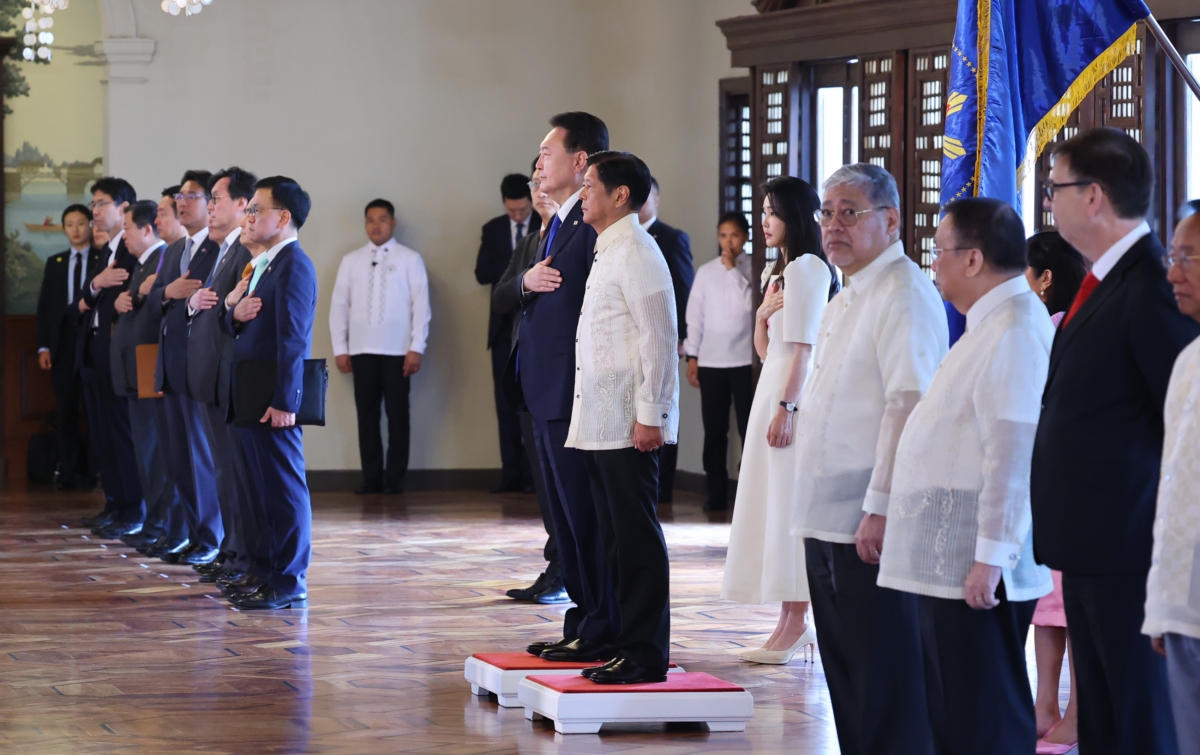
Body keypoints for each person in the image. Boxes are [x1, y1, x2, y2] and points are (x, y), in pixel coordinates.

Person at [1031, 127, 1200, 755]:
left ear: (1094, 195)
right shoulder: (1103, 279)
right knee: (1102, 723)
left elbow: (1181, 421)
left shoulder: (1150, 284)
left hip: (1128, 547)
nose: (1051, 202)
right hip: (1090, 546)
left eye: (1057, 189)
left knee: (1138, 723)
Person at [878, 197, 1053, 754]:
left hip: (978, 562)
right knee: (955, 709)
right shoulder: (989, 323)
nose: (935, 265)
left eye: (939, 252)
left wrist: (989, 557)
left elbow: (1012, 449)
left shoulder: (1016, 327)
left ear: (973, 259)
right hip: (953, 552)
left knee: (983, 710)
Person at [793, 163, 947, 754]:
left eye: (849, 212)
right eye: (826, 212)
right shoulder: (846, 293)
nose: (833, 225)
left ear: (891, 220)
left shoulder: (904, 293)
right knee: (849, 675)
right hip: (828, 514)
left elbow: (908, 406)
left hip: (870, 518)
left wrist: (882, 507)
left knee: (886, 676)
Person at [565, 150, 678, 684]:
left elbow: (659, 336)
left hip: (630, 423)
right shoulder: (606, 248)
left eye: (589, 186)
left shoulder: (637, 249)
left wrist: (652, 413)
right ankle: (617, 639)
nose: (582, 194)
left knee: (635, 539)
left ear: (620, 196)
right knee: (612, 537)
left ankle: (646, 652)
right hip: (602, 419)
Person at [516, 112, 619, 664]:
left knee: (584, 517)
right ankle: (582, 620)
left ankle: (600, 626)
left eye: (547, 151)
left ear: (581, 161)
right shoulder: (558, 220)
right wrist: (524, 284)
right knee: (564, 519)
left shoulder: (592, 222)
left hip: (572, 389)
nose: (538, 162)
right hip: (544, 388)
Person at [721, 177, 832, 665]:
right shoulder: (778, 269)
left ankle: (798, 622)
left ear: (795, 215)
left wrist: (788, 409)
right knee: (774, 506)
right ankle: (787, 622)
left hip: (793, 396)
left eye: (772, 212)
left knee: (791, 509)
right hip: (773, 386)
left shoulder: (809, 268)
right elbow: (768, 352)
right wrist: (763, 316)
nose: (764, 221)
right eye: (762, 211)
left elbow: (805, 351)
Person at [222, 176, 317, 610]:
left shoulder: (294, 264)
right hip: (249, 393)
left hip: (271, 398)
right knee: (256, 490)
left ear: (283, 217)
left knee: (282, 490)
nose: (248, 216)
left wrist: (286, 401)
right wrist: (231, 312)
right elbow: (242, 326)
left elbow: (294, 339)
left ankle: (288, 579)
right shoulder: (261, 264)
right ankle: (262, 571)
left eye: (255, 209)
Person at [1022, 230, 1087, 752]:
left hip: (1072, 479)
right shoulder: (1036, 325)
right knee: (1048, 603)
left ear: (1045, 279)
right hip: (1039, 480)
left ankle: (1076, 711)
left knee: (1073, 603)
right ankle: (1044, 702)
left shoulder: (1065, 328)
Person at [492, 163, 568, 605]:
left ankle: (565, 569)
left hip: (557, 375)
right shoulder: (529, 243)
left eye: (545, 183)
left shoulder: (571, 236)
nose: (539, 190)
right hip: (527, 371)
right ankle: (555, 563)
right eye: (534, 185)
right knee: (544, 481)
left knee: (562, 483)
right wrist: (525, 281)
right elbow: (501, 296)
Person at [187, 167, 259, 586]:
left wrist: (212, 307)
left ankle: (240, 555)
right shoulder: (223, 251)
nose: (209, 207)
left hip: (228, 377)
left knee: (234, 474)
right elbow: (213, 307)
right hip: (212, 377)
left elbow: (234, 318)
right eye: (209, 199)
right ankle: (231, 551)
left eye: (216, 198)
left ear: (241, 205)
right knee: (223, 473)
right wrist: (194, 304)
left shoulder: (243, 253)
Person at [1144, 211, 1200, 755]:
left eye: (1188, 259)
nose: (1174, 273)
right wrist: (1162, 602)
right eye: (1172, 257)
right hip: (1185, 605)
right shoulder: (1188, 359)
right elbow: (1176, 487)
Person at [329, 199, 430, 496]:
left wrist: (417, 347)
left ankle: (394, 480)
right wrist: (340, 347)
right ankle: (371, 478)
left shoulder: (410, 259)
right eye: (370, 220)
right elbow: (339, 306)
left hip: (398, 351)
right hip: (361, 350)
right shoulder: (351, 260)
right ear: (365, 224)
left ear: (393, 223)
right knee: (367, 415)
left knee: (399, 416)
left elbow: (421, 306)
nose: (376, 225)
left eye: (382, 219)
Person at [149, 171, 223, 567]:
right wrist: (166, 293)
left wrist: (174, 295)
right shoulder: (177, 250)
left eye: (192, 195)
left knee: (201, 459)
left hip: (198, 368)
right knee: (179, 459)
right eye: (180, 194)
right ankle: (196, 535)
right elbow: (157, 299)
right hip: (171, 366)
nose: (183, 201)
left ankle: (212, 538)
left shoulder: (218, 248)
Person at [78, 177, 144, 536]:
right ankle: (115, 504)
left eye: (102, 203)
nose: (95, 211)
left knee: (123, 436)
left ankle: (133, 511)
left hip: (120, 358)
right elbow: (86, 299)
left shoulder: (133, 251)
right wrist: (98, 283)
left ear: (124, 209)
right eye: (93, 204)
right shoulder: (106, 251)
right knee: (104, 436)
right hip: (97, 354)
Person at [107, 200, 170, 543]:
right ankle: (154, 523)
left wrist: (137, 294)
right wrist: (124, 298)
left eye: (128, 228)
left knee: (155, 453)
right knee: (144, 452)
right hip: (133, 368)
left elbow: (155, 306)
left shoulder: (162, 258)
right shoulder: (142, 263)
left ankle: (160, 524)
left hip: (149, 367)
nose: (124, 236)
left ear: (147, 230)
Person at [684, 212, 754, 513]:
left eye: (735, 235)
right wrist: (693, 355)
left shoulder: (754, 268)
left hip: (745, 361)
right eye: (724, 235)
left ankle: (749, 496)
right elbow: (694, 317)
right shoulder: (706, 272)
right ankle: (715, 493)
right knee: (714, 431)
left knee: (748, 429)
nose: (729, 242)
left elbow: (755, 306)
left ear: (746, 238)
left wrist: (734, 272)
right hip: (712, 361)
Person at [476, 173, 541, 494]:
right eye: (512, 211)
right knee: (504, 405)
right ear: (504, 204)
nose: (518, 215)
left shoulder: (543, 227)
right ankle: (510, 474)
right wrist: (517, 267)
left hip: (533, 325)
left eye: (522, 210)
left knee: (531, 404)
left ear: (530, 200)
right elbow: (482, 273)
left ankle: (533, 477)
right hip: (502, 328)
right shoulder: (493, 229)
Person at [36, 204, 101, 491]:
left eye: (80, 223)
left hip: (93, 344)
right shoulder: (55, 262)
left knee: (96, 411)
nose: (75, 229)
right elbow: (45, 308)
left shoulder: (103, 258)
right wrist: (43, 347)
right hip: (62, 348)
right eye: (69, 224)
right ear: (63, 229)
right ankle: (69, 471)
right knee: (66, 412)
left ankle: (95, 472)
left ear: (90, 225)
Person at [638, 177, 693, 503]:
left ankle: (664, 488)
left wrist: (681, 336)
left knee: (662, 408)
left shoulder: (671, 238)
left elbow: (683, 288)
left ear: (657, 200)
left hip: (664, 337)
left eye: (647, 198)